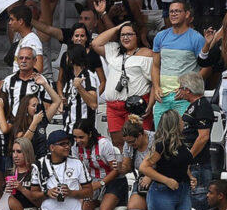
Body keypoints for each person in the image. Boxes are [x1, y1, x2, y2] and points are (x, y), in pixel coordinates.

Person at [92, 20, 154, 148]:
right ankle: (124, 168)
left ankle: (139, 168)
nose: (126, 37)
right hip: (114, 107)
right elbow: (95, 43)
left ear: (137, 36)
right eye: (123, 35)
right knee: (118, 143)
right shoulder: (114, 50)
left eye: (130, 34)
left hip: (135, 106)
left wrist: (151, 104)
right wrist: (118, 27)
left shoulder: (146, 53)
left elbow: (155, 82)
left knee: (138, 143)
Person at [33, 130, 93, 210]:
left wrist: (71, 193)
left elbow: (89, 191)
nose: (67, 146)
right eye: (63, 144)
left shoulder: (77, 163)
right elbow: (33, 194)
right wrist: (47, 193)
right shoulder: (39, 165)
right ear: (52, 147)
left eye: (68, 143)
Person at [141, 109, 195, 210]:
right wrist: (166, 180)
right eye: (181, 120)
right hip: (163, 192)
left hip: (183, 190)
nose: (183, 122)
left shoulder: (182, 142)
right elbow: (144, 167)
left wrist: (190, 177)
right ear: (175, 124)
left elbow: (182, 164)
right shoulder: (161, 144)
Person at [152, 0, 206, 127]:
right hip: (162, 96)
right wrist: (156, 87)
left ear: (187, 14)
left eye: (177, 11)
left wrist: (189, 88)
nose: (173, 14)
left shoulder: (197, 38)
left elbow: (206, 67)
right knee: (160, 139)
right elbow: (155, 65)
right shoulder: (160, 36)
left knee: (183, 137)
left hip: (184, 97)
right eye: (171, 11)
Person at [71, 120, 126, 210]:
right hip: (91, 182)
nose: (77, 141)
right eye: (75, 137)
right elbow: (78, 170)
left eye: (81, 137)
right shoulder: (75, 148)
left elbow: (115, 170)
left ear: (90, 134)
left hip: (112, 181)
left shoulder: (103, 144)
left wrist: (100, 183)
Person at [173, 72, 213, 210]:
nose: (179, 90)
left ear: (188, 90)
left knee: (199, 201)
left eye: (181, 88)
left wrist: (188, 158)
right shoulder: (193, 105)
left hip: (198, 165)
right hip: (191, 164)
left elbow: (203, 137)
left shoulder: (203, 106)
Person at [0, 47, 53, 127]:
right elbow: (3, 105)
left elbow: (47, 108)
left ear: (34, 61)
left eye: (27, 58)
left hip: (33, 127)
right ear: (17, 60)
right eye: (21, 58)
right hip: (12, 126)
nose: (23, 61)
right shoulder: (8, 80)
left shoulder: (43, 82)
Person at [54, 23, 106, 99]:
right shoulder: (65, 56)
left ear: (86, 38)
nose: (79, 39)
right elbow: (60, 81)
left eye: (82, 36)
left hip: (87, 98)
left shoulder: (93, 55)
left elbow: (103, 81)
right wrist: (61, 97)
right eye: (76, 36)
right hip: (69, 99)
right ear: (72, 38)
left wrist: (94, 97)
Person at [10, 137, 42, 210]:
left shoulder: (35, 172)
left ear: (27, 152)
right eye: (13, 152)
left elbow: (39, 202)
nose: (15, 155)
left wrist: (22, 189)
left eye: (19, 151)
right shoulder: (10, 173)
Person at [58, 45, 99, 132]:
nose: (66, 58)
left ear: (72, 59)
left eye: (67, 56)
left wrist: (79, 87)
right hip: (69, 128)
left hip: (83, 131)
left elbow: (93, 104)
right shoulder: (71, 78)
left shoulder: (88, 76)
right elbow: (71, 101)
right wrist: (62, 102)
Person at [8, 5, 45, 74]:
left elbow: (38, 68)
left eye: (12, 19)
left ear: (20, 21)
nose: (9, 23)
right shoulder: (23, 39)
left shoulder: (32, 40)